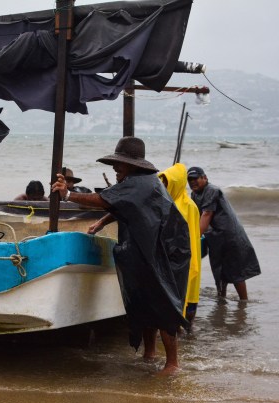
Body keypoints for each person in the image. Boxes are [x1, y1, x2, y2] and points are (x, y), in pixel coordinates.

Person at [52, 137, 190, 374]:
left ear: (133, 165)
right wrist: (101, 223)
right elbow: (121, 206)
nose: (115, 169)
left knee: (162, 302)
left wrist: (68, 194)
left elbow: (103, 199)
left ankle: (173, 364)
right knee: (144, 301)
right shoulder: (139, 183)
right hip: (152, 249)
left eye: (120, 164)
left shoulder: (139, 183)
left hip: (165, 251)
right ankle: (150, 353)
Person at [187, 166, 260, 300]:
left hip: (229, 236)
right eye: (189, 179)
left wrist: (194, 237)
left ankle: (243, 301)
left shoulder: (211, 190)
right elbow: (195, 215)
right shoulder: (194, 194)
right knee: (218, 270)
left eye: (195, 178)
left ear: (205, 178)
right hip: (214, 237)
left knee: (235, 271)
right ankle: (221, 299)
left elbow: (207, 214)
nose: (192, 182)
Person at [159, 164, 202, 328]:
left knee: (186, 304)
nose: (163, 187)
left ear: (175, 183)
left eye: (167, 183)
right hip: (170, 261)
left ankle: (186, 340)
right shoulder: (165, 203)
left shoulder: (188, 206)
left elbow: (190, 239)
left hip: (186, 261)